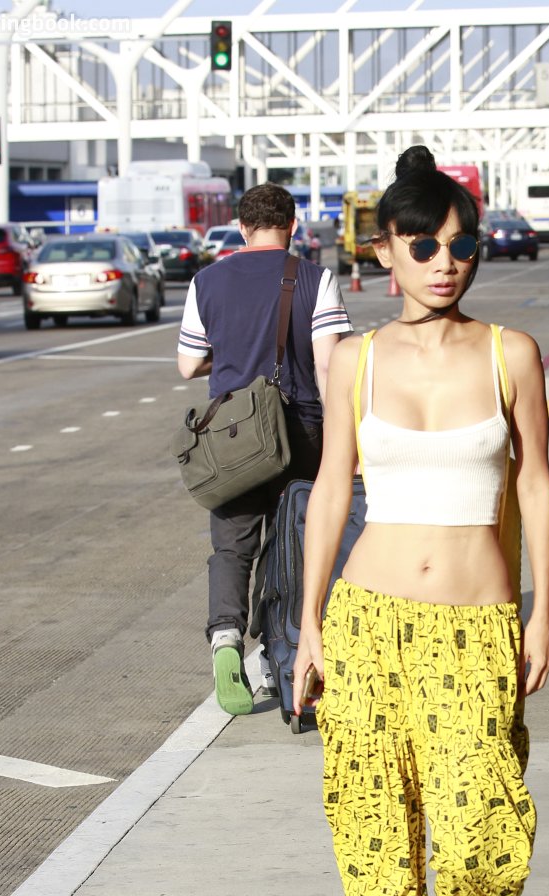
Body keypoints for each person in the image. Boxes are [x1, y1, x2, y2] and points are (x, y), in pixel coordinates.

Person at [291, 146, 549, 896]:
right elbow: (331, 492)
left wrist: (542, 613)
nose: (447, 262)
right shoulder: (354, 360)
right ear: (384, 253)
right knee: (377, 829)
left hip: (475, 628)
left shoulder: (510, 353)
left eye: (462, 244)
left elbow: (535, 484)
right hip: (367, 623)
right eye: (424, 245)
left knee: (482, 824)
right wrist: (310, 625)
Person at [177, 182, 353, 714]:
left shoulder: (206, 281)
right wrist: (344, 438)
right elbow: (329, 366)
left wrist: (230, 354)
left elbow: (188, 364)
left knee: (233, 546)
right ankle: (280, 659)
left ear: (241, 227)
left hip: (232, 436)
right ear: (292, 225)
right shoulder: (316, 279)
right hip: (299, 430)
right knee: (292, 546)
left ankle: (225, 637)